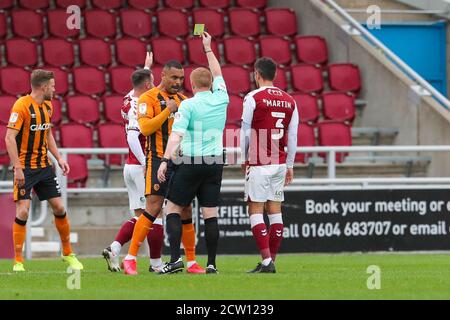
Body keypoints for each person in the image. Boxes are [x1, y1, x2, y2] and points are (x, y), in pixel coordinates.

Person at [123, 60, 204, 275]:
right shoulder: (147, 98)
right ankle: (130, 258)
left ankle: (191, 262)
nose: (178, 82)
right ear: (163, 76)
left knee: (186, 209)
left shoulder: (185, 101)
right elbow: (145, 128)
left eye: (181, 78)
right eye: (174, 78)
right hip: (157, 159)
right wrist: (166, 111)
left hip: (181, 161)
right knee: (153, 207)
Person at [156, 32, 229, 275]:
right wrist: (208, 48)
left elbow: (176, 136)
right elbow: (217, 72)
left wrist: (165, 160)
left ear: (193, 85)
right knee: (210, 213)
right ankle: (211, 264)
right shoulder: (222, 98)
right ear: (211, 84)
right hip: (215, 161)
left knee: (173, 209)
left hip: (190, 161)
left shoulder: (187, 105)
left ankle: (175, 260)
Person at [5, 69, 83, 272]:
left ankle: (67, 254)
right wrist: (18, 168)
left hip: (43, 166)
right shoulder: (21, 106)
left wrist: (58, 158)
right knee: (23, 210)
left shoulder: (48, 106)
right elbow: (9, 138)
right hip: (25, 168)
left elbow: (47, 133)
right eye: (53, 86)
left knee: (59, 207)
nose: (55, 89)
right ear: (44, 87)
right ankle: (18, 261)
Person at [102, 53, 168, 273]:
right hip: (140, 166)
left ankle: (114, 248)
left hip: (129, 166)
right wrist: (145, 163)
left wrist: (146, 67)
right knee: (155, 214)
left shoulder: (128, 98)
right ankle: (156, 264)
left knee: (141, 216)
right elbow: (132, 136)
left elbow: (140, 82)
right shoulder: (140, 104)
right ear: (148, 84)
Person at [240, 57, 299, 273]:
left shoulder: (253, 97)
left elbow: (245, 132)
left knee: (255, 210)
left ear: (257, 74)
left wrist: (243, 157)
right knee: (275, 212)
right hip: (280, 163)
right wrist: (290, 164)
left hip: (259, 161)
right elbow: (292, 137)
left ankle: (266, 262)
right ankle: (271, 260)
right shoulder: (290, 100)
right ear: (274, 75)